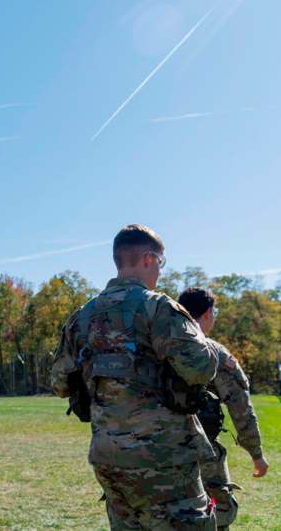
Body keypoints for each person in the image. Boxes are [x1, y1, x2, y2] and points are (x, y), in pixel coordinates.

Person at [51, 224, 218, 530]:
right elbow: (201, 368)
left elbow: (60, 383)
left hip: (110, 459)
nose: (161, 272)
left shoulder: (83, 316)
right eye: (161, 263)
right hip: (164, 460)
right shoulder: (160, 309)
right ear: (148, 259)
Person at [177, 287, 269, 530]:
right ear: (207, 313)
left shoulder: (154, 346)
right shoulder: (213, 351)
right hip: (201, 452)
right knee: (216, 513)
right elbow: (240, 407)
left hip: (152, 450)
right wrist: (256, 454)